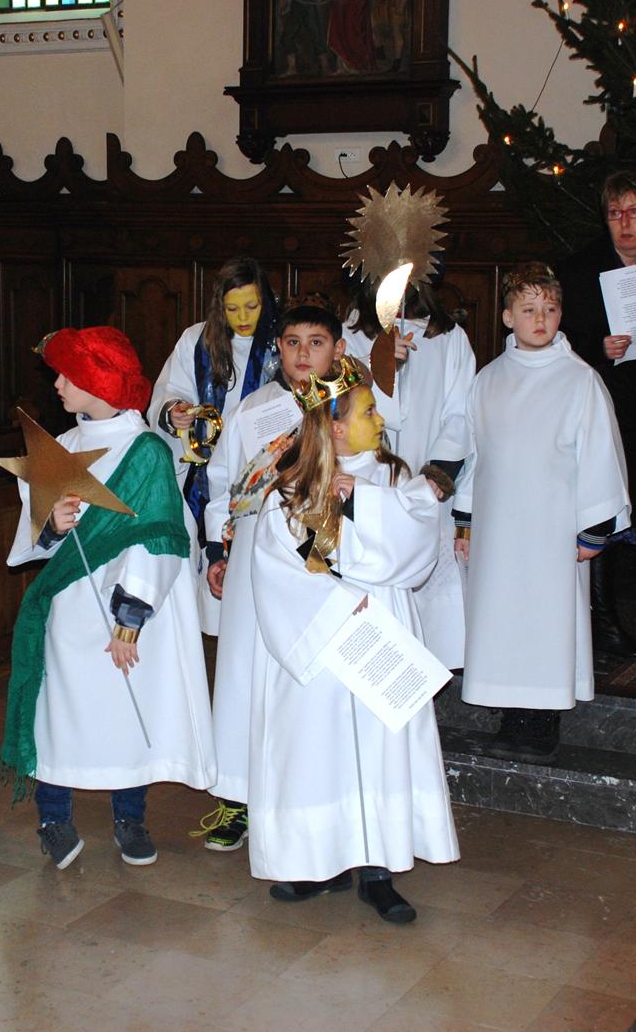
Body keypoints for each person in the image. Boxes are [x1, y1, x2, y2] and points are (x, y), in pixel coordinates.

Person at [247, 355, 457, 923]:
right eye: (368, 411)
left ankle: (378, 872)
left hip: (382, 629)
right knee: (320, 750)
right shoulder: (292, 486)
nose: (380, 420)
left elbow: (416, 549)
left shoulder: (395, 479)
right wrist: (340, 605)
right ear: (335, 428)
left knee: (381, 749)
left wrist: (363, 498)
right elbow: (277, 565)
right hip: (325, 633)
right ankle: (322, 859)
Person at [3, 325, 216, 870]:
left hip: (125, 610)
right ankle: (53, 818)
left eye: (67, 376)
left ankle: (130, 818)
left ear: (99, 382)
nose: (56, 385)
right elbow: (38, 533)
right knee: (60, 714)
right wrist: (51, 524)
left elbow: (160, 535)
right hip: (68, 606)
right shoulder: (61, 447)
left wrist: (129, 617)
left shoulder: (146, 452)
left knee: (126, 713)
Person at [457, 263, 630, 764]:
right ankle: (512, 717)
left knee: (546, 621)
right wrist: (465, 520)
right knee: (501, 618)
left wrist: (594, 528)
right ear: (507, 317)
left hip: (552, 530)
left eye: (550, 309)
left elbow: (600, 453)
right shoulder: (488, 380)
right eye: (529, 309)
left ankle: (542, 721)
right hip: (499, 528)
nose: (540, 319)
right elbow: (474, 455)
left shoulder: (579, 380)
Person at [193, 301, 346, 851]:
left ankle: (310, 797)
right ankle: (237, 798)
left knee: (310, 680)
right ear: (277, 348)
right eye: (292, 342)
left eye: (316, 342)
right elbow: (223, 485)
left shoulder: (349, 406)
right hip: (255, 557)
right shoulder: (255, 409)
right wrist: (218, 551)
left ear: (338, 349)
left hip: (320, 563)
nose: (303, 354)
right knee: (242, 675)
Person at [558, 169, 636, 659]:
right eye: (615, 213)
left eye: (635, 212)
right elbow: (553, 338)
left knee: (634, 513)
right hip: (596, 407)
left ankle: (610, 617)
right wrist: (598, 348)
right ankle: (601, 624)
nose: (625, 223)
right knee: (600, 509)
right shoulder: (579, 269)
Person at [343, 276, 475, 668]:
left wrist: (439, 472)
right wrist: (383, 368)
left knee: (431, 595)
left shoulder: (448, 337)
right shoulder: (351, 335)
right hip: (369, 481)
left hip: (426, 480)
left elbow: (461, 412)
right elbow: (349, 409)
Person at [148, 257, 283, 635]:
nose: (243, 318)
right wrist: (173, 410)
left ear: (265, 299)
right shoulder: (197, 340)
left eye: (252, 306)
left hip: (261, 468)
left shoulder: (280, 341)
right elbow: (170, 389)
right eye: (232, 309)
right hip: (205, 471)